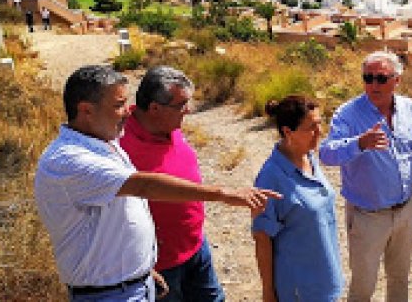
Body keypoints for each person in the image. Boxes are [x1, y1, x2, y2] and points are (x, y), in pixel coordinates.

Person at [35, 65, 279, 302]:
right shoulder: (69, 160)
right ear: (86, 110)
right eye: (119, 105)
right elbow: (143, 186)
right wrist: (223, 194)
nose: (127, 112)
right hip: (110, 294)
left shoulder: (105, 142)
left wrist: (141, 268)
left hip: (138, 279)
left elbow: (115, 224)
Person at [319, 51, 412, 302]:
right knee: (363, 286)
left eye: (381, 78)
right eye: (368, 78)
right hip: (367, 216)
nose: (373, 85)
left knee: (400, 279)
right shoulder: (348, 114)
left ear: (397, 80)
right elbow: (326, 153)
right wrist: (359, 143)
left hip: (405, 210)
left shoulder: (410, 109)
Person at [121, 66, 225, 302]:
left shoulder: (168, 125)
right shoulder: (120, 143)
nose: (188, 110)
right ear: (155, 108)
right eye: (181, 105)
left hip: (195, 245)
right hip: (159, 264)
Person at [253, 95, 344, 302]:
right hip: (299, 289)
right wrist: (268, 292)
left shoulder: (309, 157)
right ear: (288, 132)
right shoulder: (270, 177)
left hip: (325, 279)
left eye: (320, 123)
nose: (319, 132)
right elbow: (262, 238)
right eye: (311, 127)